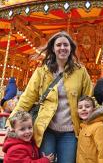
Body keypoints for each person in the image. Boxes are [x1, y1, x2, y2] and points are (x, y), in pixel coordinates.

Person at [7, 31, 93, 163]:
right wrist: (10, 122)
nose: (62, 48)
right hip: (47, 129)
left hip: (70, 130)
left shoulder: (80, 71)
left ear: (71, 48)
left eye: (66, 45)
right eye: (59, 45)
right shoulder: (42, 71)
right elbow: (27, 99)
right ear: (53, 48)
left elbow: (89, 98)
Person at [76, 95, 103, 163]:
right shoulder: (82, 127)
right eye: (80, 107)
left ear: (94, 109)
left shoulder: (99, 126)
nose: (83, 109)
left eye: (87, 106)